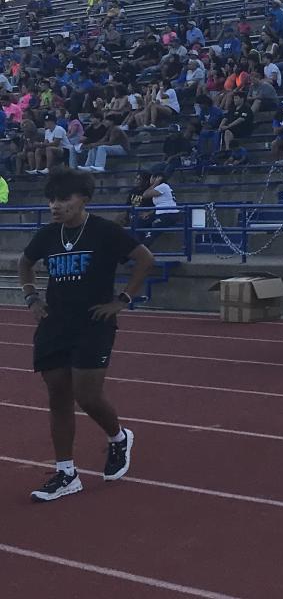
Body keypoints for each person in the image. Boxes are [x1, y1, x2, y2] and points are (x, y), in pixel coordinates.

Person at [19, 168, 155, 502]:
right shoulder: (48, 235)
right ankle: (66, 473)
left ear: (84, 200)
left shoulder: (104, 231)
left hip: (93, 322)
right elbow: (25, 262)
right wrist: (31, 297)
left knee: (87, 395)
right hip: (55, 323)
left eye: (64, 199)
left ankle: (118, 437)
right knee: (58, 396)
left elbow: (144, 259)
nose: (56, 205)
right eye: (51, 199)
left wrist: (122, 300)